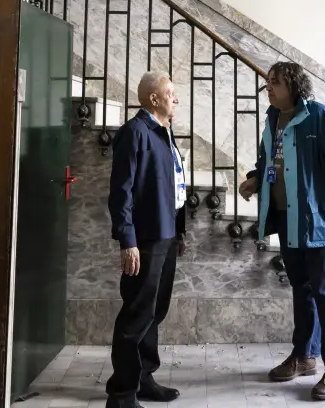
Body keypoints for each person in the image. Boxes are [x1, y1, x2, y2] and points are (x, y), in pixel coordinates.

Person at [239, 61, 325, 402]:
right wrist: (255, 178)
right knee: (301, 287)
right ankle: (304, 356)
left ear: (294, 86)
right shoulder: (272, 118)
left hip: (317, 221)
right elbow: (270, 160)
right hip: (286, 218)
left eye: (276, 82)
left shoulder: (320, 117)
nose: (269, 87)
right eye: (268, 81)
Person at [106, 70, 189, 408]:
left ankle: (143, 379)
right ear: (154, 98)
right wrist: (128, 241)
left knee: (155, 311)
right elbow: (121, 192)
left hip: (166, 235)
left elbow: (173, 186)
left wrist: (179, 231)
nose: (176, 99)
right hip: (145, 238)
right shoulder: (135, 132)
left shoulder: (163, 131)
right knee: (137, 314)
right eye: (171, 94)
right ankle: (121, 394)